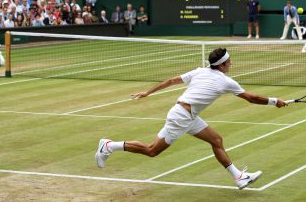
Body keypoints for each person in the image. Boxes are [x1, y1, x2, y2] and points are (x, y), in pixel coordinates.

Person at [95, 48, 287, 190]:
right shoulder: (225, 81)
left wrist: (148, 92)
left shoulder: (200, 71)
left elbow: (171, 81)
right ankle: (109, 146)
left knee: (216, 140)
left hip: (188, 115)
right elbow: (251, 98)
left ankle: (239, 177)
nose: (231, 64)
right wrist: (274, 101)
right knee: (151, 150)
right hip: (181, 118)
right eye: (229, 62)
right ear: (222, 65)